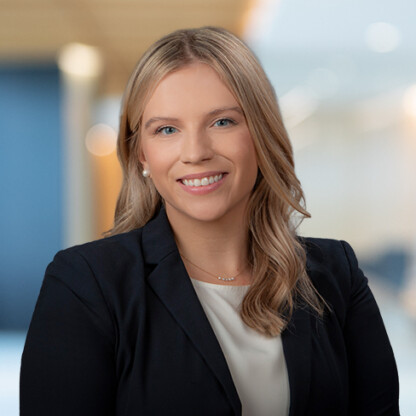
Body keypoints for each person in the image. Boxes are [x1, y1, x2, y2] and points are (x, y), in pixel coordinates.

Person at [20, 27, 400, 416]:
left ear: (262, 133)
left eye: (222, 122)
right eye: (167, 129)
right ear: (142, 156)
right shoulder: (88, 284)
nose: (196, 152)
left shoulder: (336, 274)